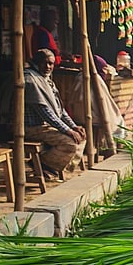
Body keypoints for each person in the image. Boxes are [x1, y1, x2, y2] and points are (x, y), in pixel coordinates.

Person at [23, 48, 84, 180]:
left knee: (81, 137)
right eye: (44, 63)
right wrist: (67, 131)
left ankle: (51, 167)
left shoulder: (47, 80)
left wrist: (73, 127)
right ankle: (40, 164)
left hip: (46, 126)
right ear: (36, 63)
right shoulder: (31, 79)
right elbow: (45, 112)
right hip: (32, 128)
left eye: (50, 64)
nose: (48, 67)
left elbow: (59, 110)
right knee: (70, 143)